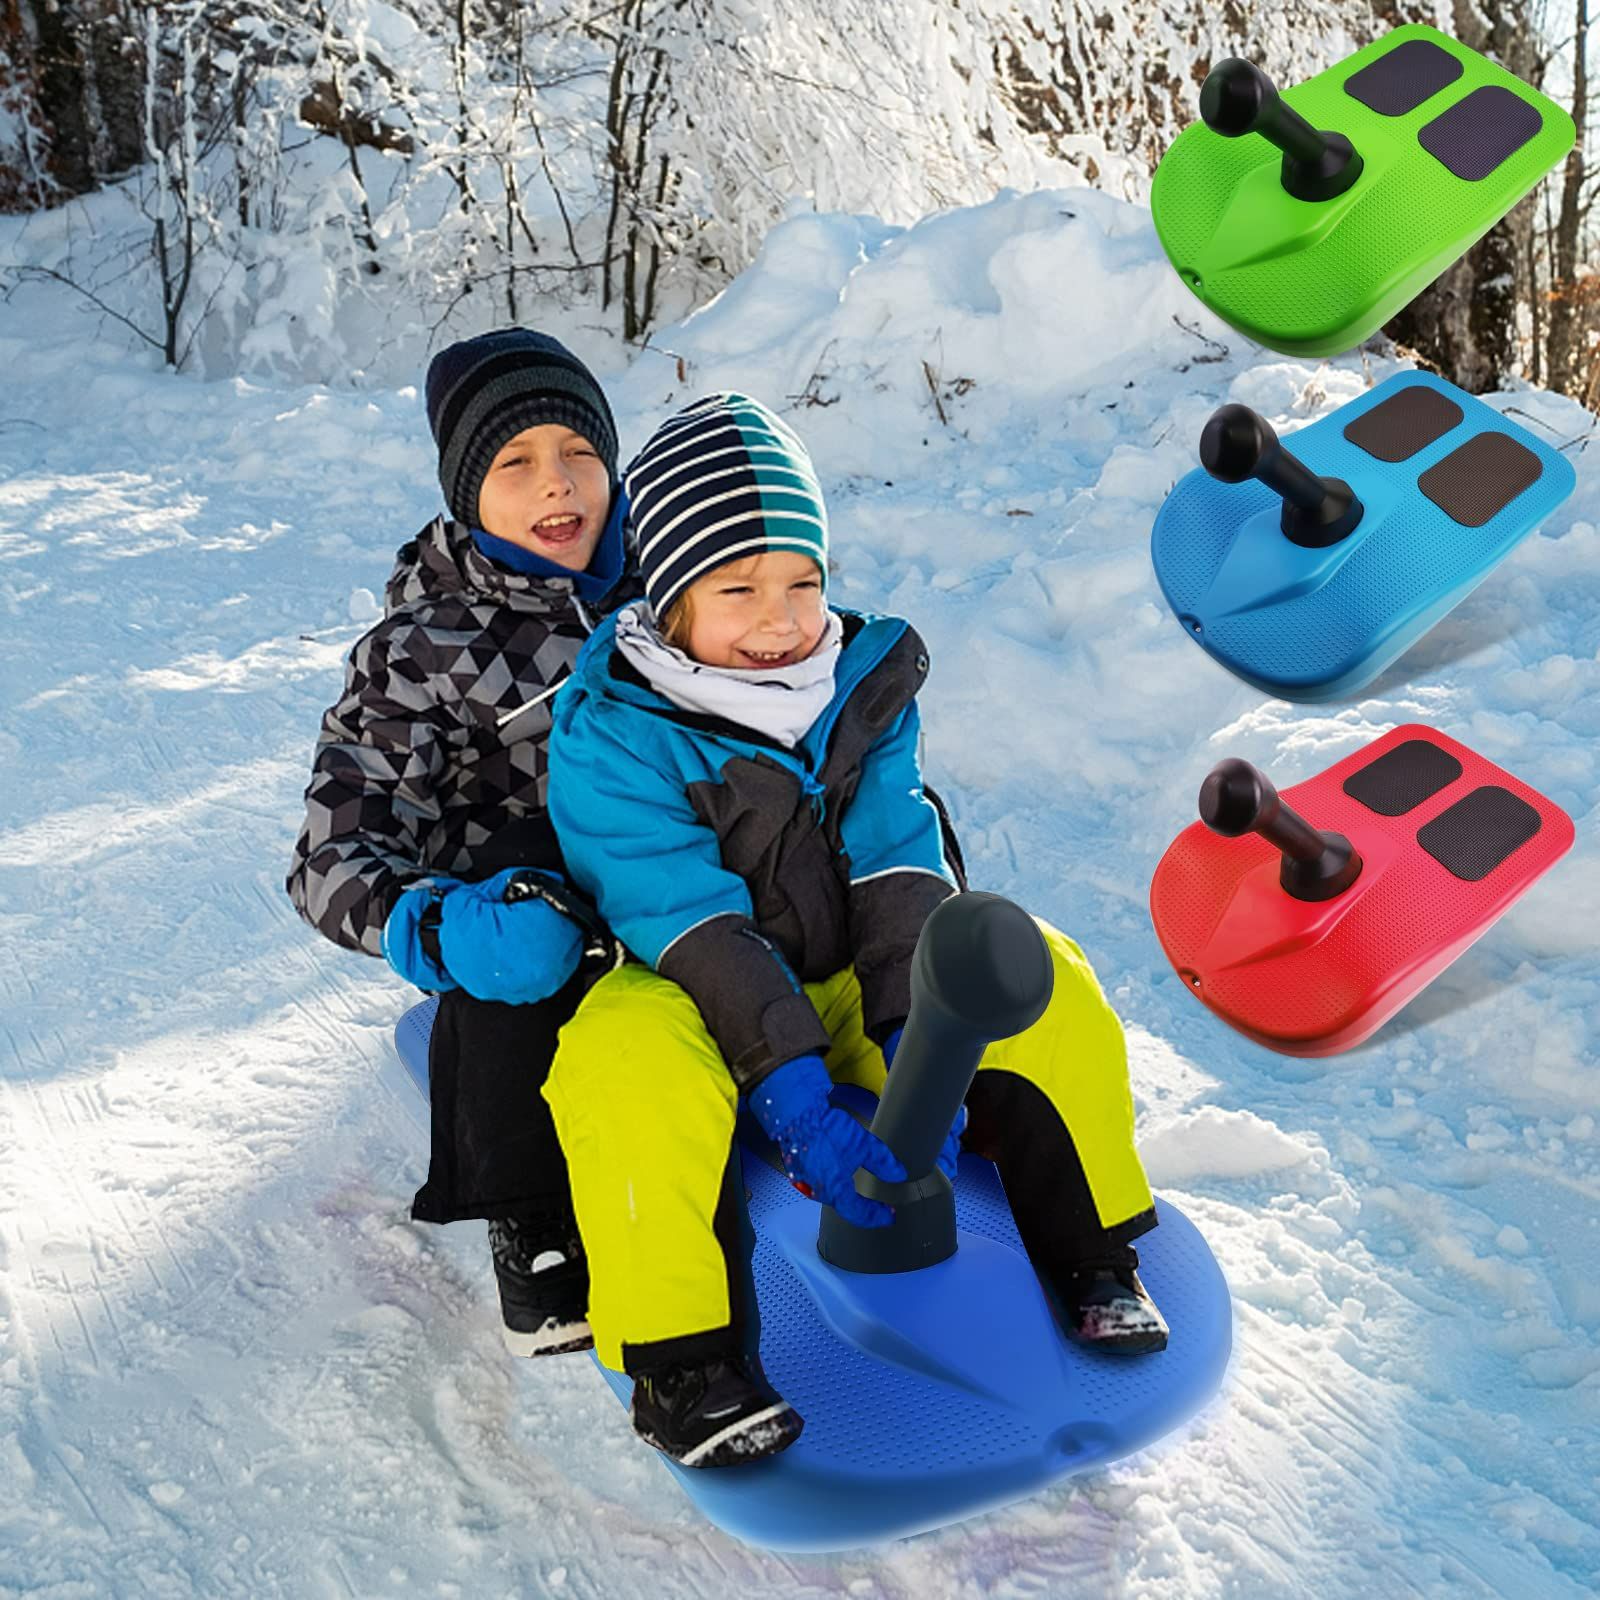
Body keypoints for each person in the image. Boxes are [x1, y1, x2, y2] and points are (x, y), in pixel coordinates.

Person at [543, 392, 1168, 1471]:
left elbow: (894, 857)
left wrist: (919, 1038)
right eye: (737, 588)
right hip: (685, 980)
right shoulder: (614, 732)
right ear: (669, 595)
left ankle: (1091, 1250)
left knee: (1042, 973)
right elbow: (687, 921)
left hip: (838, 971)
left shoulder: (859, 688)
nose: (781, 617)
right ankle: (683, 1362)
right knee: (619, 1065)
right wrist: (789, 1089)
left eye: (802, 581)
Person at [286, 327, 640, 1360]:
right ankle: (530, 1212)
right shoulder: (421, 647)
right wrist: (434, 925)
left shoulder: (673, 589)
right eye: (516, 463)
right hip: (524, 922)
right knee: (521, 881)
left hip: (669, 870)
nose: (557, 485)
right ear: (465, 493)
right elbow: (331, 851)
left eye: (579, 453)